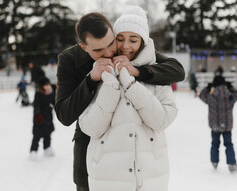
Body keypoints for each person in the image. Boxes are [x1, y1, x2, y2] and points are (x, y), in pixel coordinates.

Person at [55, 12, 185, 190]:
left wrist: (138, 71)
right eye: (98, 50)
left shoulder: (127, 46)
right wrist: (90, 80)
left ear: (113, 33)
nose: (108, 53)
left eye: (110, 43)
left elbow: (177, 70)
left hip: (136, 158)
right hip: (90, 150)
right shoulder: (69, 59)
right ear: (84, 48)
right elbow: (64, 114)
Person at [199, 75, 237, 173]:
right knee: (228, 144)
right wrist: (231, 87)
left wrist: (208, 87)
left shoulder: (211, 96)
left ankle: (214, 161)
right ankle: (231, 163)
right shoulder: (229, 96)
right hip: (227, 126)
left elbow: (201, 95)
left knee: (215, 143)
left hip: (215, 125)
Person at [29, 77, 56, 160]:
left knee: (48, 134)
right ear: (41, 86)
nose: (47, 86)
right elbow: (36, 105)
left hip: (48, 116)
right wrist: (37, 114)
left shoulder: (51, 92)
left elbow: (54, 102)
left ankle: (47, 147)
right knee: (37, 135)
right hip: (40, 117)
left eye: (47, 84)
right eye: (45, 85)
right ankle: (33, 151)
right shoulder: (38, 93)